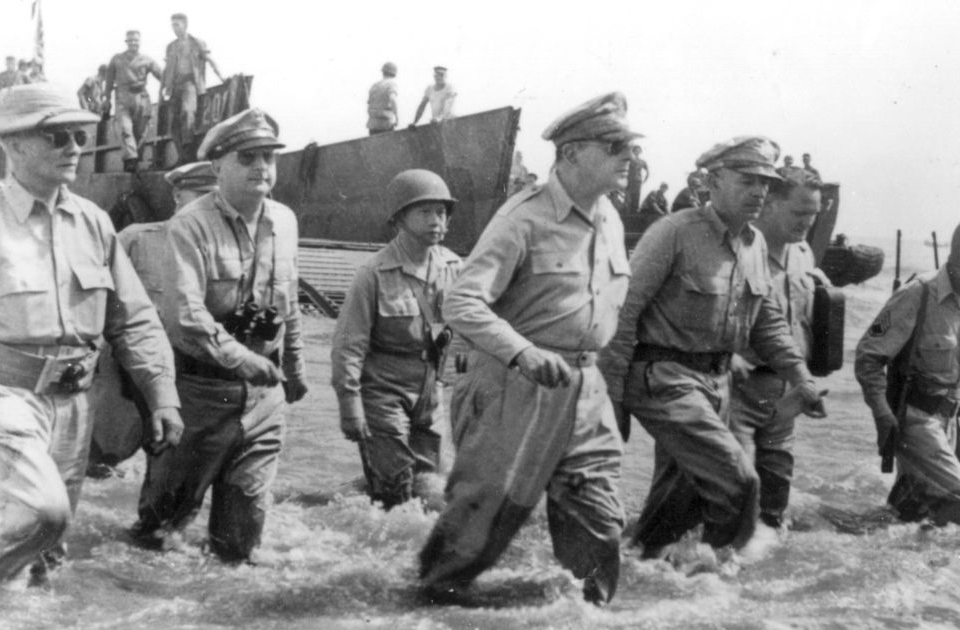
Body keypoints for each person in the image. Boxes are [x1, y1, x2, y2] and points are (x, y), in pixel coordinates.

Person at [418, 92, 639, 605]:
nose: (627, 157)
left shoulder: (609, 219)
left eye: (628, 146)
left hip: (585, 389)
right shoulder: (524, 218)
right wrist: (522, 352)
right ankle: (424, 609)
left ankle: (589, 614)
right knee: (477, 533)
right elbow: (462, 302)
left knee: (601, 521)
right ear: (570, 154)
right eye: (613, 146)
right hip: (515, 384)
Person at [0, 84, 183, 592]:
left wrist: (161, 394)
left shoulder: (94, 223)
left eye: (80, 135)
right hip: (1, 397)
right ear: (12, 146)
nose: (75, 146)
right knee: (40, 512)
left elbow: (133, 319)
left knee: (49, 548)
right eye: (57, 136)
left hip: (75, 403)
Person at [600, 136, 826, 562]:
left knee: (678, 500)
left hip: (716, 384)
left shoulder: (754, 243)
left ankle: (630, 573)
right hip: (664, 379)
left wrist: (801, 378)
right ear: (713, 181)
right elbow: (622, 311)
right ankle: (719, 579)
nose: (759, 191)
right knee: (740, 481)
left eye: (764, 182)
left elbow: (767, 322)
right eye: (746, 180)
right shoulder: (673, 232)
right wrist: (612, 396)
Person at [131, 109, 308, 562]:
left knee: (241, 545)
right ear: (217, 167)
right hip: (199, 394)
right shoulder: (191, 225)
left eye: (269, 157)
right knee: (160, 535)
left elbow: (288, 302)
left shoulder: (285, 221)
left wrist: (295, 366)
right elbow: (186, 316)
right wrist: (241, 358)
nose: (261, 167)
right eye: (247, 157)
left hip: (264, 400)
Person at [854, 214, 960, 527]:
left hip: (948, 419)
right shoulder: (918, 293)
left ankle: (881, 557)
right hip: (915, 419)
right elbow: (869, 357)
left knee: (913, 515)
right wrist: (881, 413)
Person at [331, 169, 461, 509]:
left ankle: (342, 498)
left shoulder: (453, 268)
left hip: (431, 396)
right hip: (383, 396)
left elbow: (472, 333)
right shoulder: (373, 274)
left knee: (431, 486)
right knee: (395, 492)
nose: (436, 221)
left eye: (442, 212)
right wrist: (350, 406)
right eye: (425, 212)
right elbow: (348, 346)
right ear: (399, 218)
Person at [87, 162, 218, 479]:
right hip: (128, 375)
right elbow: (94, 304)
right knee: (102, 460)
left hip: (189, 380)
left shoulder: (223, 253)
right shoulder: (135, 239)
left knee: (172, 471)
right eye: (199, 195)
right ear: (177, 195)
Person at [729, 167, 830, 534]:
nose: (807, 222)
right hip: (737, 391)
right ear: (770, 204)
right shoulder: (738, 251)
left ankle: (759, 579)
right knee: (731, 493)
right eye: (798, 213)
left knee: (774, 499)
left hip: (785, 394)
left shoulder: (803, 254)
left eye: (813, 214)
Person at [164, 13, 221, 163]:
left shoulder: (197, 43)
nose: (174, 28)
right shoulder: (171, 47)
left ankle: (188, 151)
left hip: (190, 83)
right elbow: (166, 69)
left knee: (188, 112)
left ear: (185, 25)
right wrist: (163, 89)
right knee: (174, 123)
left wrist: (222, 77)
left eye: (177, 24)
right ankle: (181, 155)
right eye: (173, 25)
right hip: (174, 86)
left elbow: (210, 60)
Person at [105, 30, 164, 172]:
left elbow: (162, 76)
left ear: (140, 42)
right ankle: (130, 159)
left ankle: (134, 161)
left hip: (141, 97)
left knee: (141, 131)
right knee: (125, 129)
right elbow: (109, 81)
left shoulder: (147, 60)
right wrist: (107, 99)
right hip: (123, 97)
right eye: (130, 40)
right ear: (126, 42)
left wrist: (168, 90)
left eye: (136, 40)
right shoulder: (116, 59)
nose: (133, 43)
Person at [367, 62, 400, 135]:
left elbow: (369, 102)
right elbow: (392, 99)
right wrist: (397, 117)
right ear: (394, 73)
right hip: (385, 124)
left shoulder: (374, 86)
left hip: (372, 124)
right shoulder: (392, 84)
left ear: (383, 72)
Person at [624, 145, 649, 213]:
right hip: (629, 179)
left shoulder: (642, 161)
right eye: (636, 150)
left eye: (638, 150)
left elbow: (647, 172)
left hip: (638, 180)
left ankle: (634, 211)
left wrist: (644, 180)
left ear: (640, 152)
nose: (637, 151)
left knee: (636, 196)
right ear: (633, 151)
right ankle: (626, 211)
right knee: (628, 196)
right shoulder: (629, 160)